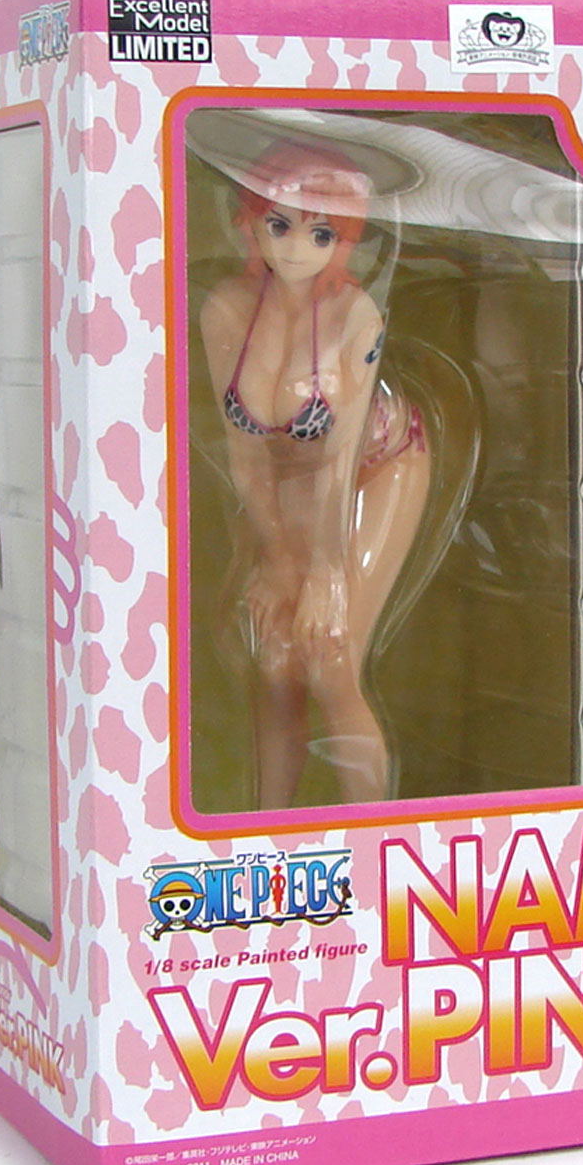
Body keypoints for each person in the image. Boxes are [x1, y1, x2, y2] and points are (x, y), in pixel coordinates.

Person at [199, 140, 431, 808]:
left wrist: (326, 573)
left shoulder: (356, 318)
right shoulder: (226, 312)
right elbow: (245, 455)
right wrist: (276, 559)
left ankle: (375, 837)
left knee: (329, 657)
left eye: (321, 233)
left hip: (377, 464)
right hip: (289, 480)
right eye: (281, 225)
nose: (298, 249)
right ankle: (268, 832)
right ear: (251, 223)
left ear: (345, 241)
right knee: (274, 657)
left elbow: (341, 454)